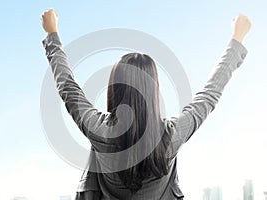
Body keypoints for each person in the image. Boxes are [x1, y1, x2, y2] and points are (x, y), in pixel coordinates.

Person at [41, 8, 251, 200]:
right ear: (154, 91)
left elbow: (67, 86)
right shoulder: (172, 134)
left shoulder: (99, 130)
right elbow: (210, 93)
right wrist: (236, 39)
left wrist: (52, 34)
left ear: (115, 87)